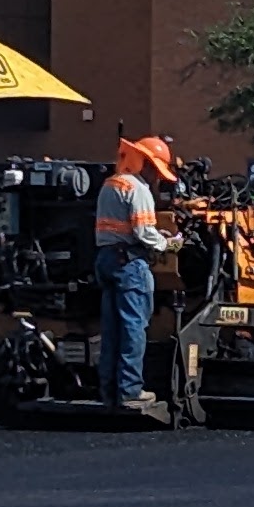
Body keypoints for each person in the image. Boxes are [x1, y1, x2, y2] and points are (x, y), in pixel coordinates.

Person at [92, 135, 180, 409]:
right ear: (146, 163)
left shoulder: (110, 184)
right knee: (133, 327)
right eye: (155, 169)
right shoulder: (138, 189)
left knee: (112, 328)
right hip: (129, 264)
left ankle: (108, 389)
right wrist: (168, 243)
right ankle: (130, 390)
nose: (156, 176)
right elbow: (143, 232)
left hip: (106, 259)